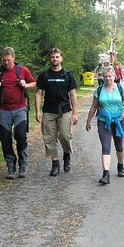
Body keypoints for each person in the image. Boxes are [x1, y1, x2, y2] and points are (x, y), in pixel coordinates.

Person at [0, 47, 36, 179]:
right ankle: (10, 165)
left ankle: (23, 163)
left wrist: (25, 85)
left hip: (20, 108)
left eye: (8, 60)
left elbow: (34, 84)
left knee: (20, 136)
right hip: (3, 110)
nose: (6, 63)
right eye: (4, 60)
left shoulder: (22, 71)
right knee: (5, 138)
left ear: (14, 58)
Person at [35, 47, 78, 176]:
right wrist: (38, 111)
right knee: (49, 138)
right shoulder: (44, 75)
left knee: (65, 135)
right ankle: (55, 163)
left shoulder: (67, 75)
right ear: (50, 59)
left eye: (57, 57)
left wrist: (75, 113)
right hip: (48, 110)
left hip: (64, 110)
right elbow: (38, 93)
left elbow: (73, 95)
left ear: (61, 58)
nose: (55, 59)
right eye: (52, 57)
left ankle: (66, 154)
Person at [85, 67, 124, 184]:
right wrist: (88, 121)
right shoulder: (99, 90)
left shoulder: (121, 89)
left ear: (114, 77)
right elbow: (93, 106)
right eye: (105, 76)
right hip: (103, 121)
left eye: (110, 76)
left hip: (118, 120)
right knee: (106, 147)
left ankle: (120, 165)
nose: (108, 78)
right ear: (103, 78)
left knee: (119, 146)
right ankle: (106, 173)